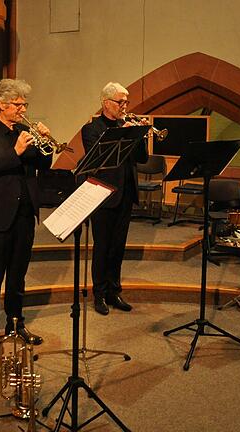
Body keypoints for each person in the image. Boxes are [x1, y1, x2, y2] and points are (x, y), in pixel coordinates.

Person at [0, 78, 53, 356]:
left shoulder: (25, 130)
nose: (23, 109)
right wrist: (15, 151)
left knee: (18, 274)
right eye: (18, 104)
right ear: (1, 104)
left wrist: (48, 144)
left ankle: (16, 324)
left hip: (24, 213)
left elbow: (44, 164)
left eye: (24, 104)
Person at [81, 82, 148, 315]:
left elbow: (142, 158)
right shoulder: (91, 129)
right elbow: (98, 160)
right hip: (104, 194)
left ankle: (114, 291)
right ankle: (98, 293)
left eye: (126, 102)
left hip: (126, 193)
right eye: (120, 102)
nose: (124, 106)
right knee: (102, 246)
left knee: (118, 247)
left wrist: (138, 135)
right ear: (106, 103)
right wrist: (123, 134)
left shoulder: (127, 124)